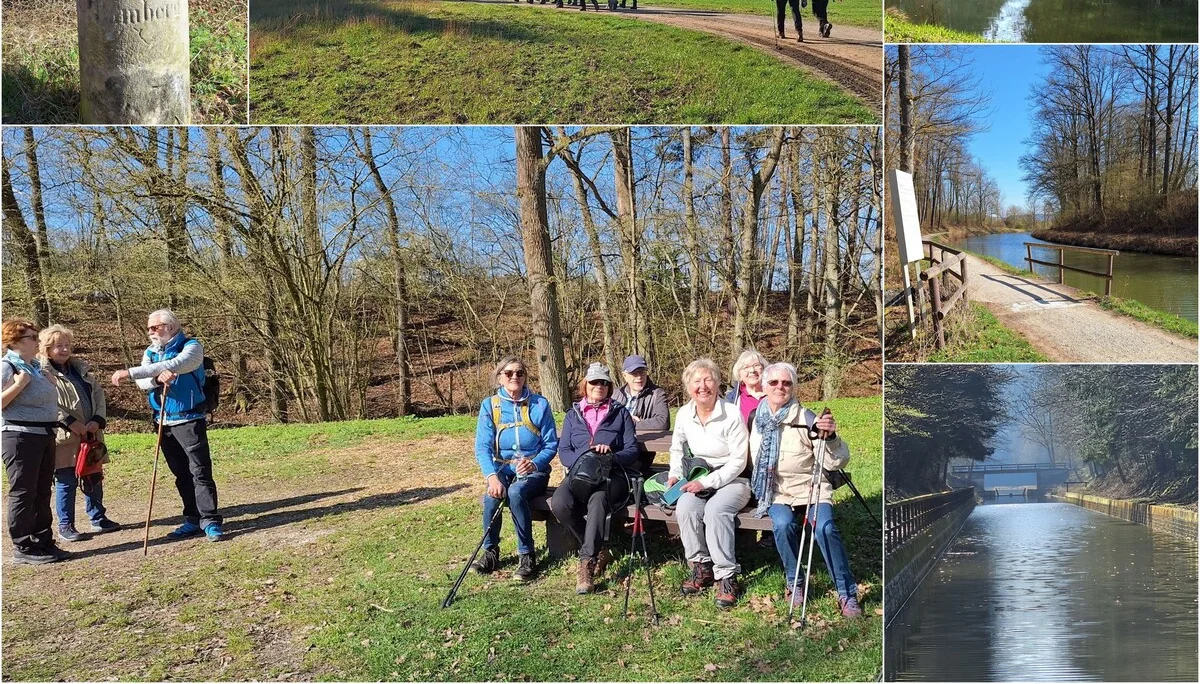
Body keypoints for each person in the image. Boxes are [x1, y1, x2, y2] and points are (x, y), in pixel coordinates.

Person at [748, 362, 862, 617]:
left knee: (825, 528)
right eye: (774, 383)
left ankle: (846, 593)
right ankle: (795, 582)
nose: (780, 387)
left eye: (786, 383)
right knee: (782, 525)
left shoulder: (807, 418)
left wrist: (830, 438)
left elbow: (836, 462)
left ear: (794, 388)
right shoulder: (757, 418)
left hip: (811, 488)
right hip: (776, 492)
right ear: (764, 387)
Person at [112, 309, 223, 542]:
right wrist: (155, 378)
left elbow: (179, 364)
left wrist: (129, 372)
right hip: (163, 420)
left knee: (199, 470)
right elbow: (144, 383)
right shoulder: (150, 352)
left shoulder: (192, 347)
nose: (151, 332)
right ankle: (192, 519)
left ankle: (210, 520)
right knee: (180, 473)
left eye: (155, 327)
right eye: (149, 328)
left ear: (170, 327)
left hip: (190, 418)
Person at [669, 358, 751, 609]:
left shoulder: (731, 413)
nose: (702, 386)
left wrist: (707, 482)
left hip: (734, 480)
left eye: (708, 380)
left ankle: (726, 576)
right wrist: (674, 473)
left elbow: (739, 461)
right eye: (697, 381)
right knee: (685, 506)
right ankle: (700, 566)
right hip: (698, 477)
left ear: (717, 384)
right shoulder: (684, 413)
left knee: (716, 511)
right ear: (688, 387)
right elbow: (676, 448)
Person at [552, 363, 639, 594]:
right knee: (560, 503)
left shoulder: (620, 413)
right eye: (594, 382)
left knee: (598, 500)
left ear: (610, 386)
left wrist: (611, 455)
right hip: (580, 474)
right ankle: (599, 549)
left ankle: (587, 564)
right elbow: (564, 451)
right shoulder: (573, 414)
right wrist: (585, 456)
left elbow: (632, 450)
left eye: (604, 382)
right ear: (585, 385)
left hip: (612, 476)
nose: (599, 386)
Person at [471, 356, 559, 582]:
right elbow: (482, 446)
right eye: (509, 373)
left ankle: (526, 555)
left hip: (534, 471)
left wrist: (535, 463)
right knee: (492, 498)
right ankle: (490, 553)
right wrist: (492, 477)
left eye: (520, 373)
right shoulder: (490, 406)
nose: (515, 377)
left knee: (516, 492)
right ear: (500, 377)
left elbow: (551, 444)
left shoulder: (540, 404)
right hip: (502, 468)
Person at [40, 325, 119, 542]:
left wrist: (97, 420)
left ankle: (98, 518)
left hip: (91, 435)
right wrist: (69, 422)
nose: (64, 350)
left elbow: (98, 396)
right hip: (64, 438)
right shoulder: (42, 373)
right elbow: (46, 403)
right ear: (47, 349)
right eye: (58, 346)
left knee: (94, 476)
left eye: (67, 345)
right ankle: (66, 525)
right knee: (66, 480)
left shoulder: (80, 369)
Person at [1, 319, 69, 565]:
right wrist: (18, 386)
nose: (37, 341)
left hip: (44, 434)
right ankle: (23, 547)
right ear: (15, 341)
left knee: (42, 491)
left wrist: (49, 381)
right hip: (20, 437)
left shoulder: (35, 367)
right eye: (32, 338)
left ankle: (43, 541)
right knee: (23, 492)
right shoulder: (8, 366)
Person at [612, 354, 670, 474]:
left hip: (640, 453)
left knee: (619, 472)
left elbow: (662, 422)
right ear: (625, 375)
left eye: (642, 372)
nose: (639, 377)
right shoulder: (614, 394)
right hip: (613, 447)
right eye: (634, 373)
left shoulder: (657, 394)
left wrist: (630, 424)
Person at [725, 349, 769, 426]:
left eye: (756, 365)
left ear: (764, 369)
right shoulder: (731, 400)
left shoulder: (774, 394)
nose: (752, 370)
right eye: (746, 367)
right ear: (739, 374)